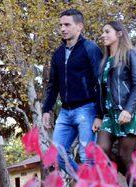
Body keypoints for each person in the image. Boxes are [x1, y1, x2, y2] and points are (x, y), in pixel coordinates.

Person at [42, 9, 104, 175]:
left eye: (67, 24)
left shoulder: (90, 49)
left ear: (79, 27)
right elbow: (53, 84)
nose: (63, 28)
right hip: (65, 112)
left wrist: (99, 114)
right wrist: (47, 109)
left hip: (87, 109)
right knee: (58, 155)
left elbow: (100, 82)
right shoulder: (58, 54)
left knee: (87, 157)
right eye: (61, 25)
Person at [93, 21, 136, 177]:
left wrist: (128, 110)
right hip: (109, 115)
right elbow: (102, 92)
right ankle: (124, 184)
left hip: (128, 111)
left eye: (107, 32)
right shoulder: (104, 62)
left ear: (119, 33)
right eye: (103, 32)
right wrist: (99, 116)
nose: (103, 35)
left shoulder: (130, 54)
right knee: (101, 150)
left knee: (125, 155)